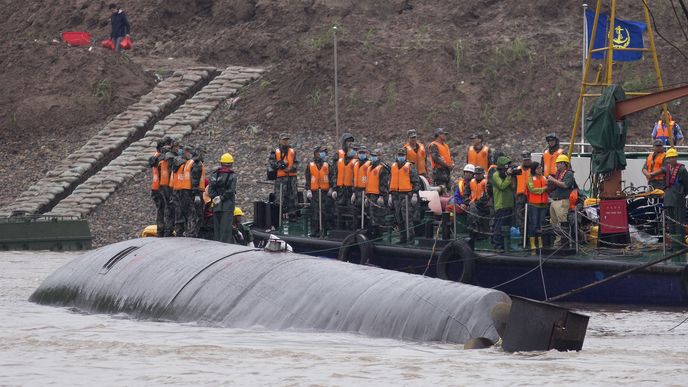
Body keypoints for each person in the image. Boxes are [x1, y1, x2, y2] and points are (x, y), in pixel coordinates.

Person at [389, 148, 421, 244]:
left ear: (405, 156)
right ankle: (402, 238)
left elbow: (416, 182)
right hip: (396, 195)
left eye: (402, 155)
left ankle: (410, 239)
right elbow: (390, 182)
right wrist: (390, 195)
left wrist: (415, 194)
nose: (401, 156)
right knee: (399, 218)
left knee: (407, 217)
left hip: (407, 195)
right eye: (399, 155)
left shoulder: (410, 167)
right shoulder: (393, 166)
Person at [304, 146, 335, 237]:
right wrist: (308, 190)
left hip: (325, 193)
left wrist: (331, 188)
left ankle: (325, 231)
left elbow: (332, 177)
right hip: (314, 193)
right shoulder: (310, 165)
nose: (322, 154)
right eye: (320, 152)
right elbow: (308, 178)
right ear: (316, 153)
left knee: (326, 212)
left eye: (324, 152)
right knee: (314, 212)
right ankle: (315, 231)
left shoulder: (328, 165)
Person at [547, 154, 577, 247]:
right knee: (554, 222)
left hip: (562, 201)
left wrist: (553, 180)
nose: (557, 165)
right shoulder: (558, 174)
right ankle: (557, 242)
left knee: (562, 222)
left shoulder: (569, 174)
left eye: (559, 163)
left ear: (564, 164)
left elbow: (565, 185)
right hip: (554, 201)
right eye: (557, 163)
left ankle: (563, 243)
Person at [662, 148, 688, 249]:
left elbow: (687, 185)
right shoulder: (667, 169)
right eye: (670, 158)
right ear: (667, 159)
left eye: (673, 157)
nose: (671, 159)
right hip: (668, 199)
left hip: (678, 199)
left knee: (679, 222)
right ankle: (673, 244)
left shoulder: (682, 170)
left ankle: (680, 244)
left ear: (676, 158)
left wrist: (681, 194)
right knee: (671, 223)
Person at [269, 133, 299, 219]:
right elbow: (272, 163)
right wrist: (281, 165)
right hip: (280, 180)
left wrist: (291, 169)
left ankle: (292, 217)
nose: (285, 142)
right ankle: (278, 219)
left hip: (291, 179)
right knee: (279, 199)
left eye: (287, 140)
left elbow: (296, 163)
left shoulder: (292, 151)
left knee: (292, 198)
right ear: (280, 140)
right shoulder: (275, 151)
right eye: (284, 140)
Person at [209, 153, 237, 243]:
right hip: (227, 206)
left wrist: (215, 197)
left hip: (216, 205)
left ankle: (217, 248)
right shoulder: (232, 176)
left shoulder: (214, 175)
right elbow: (231, 190)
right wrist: (222, 197)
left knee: (217, 230)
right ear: (231, 164)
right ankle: (224, 249)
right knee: (226, 230)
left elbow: (211, 189)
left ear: (221, 163)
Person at [491, 156, 515, 250]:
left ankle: (508, 244)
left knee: (508, 225)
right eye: (506, 165)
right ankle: (498, 245)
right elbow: (502, 186)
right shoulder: (496, 175)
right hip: (500, 204)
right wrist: (508, 176)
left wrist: (512, 176)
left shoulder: (506, 175)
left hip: (509, 203)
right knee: (499, 226)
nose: (508, 167)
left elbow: (512, 187)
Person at [365, 149, 390, 237]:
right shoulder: (369, 167)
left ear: (379, 156)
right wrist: (366, 196)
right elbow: (367, 182)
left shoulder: (382, 168)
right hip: (370, 195)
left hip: (379, 196)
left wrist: (382, 196)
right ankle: (374, 233)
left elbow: (384, 183)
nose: (373, 157)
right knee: (371, 215)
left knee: (379, 216)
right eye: (372, 155)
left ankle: (380, 234)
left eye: (375, 155)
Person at [333, 143, 358, 229]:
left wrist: (354, 192)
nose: (353, 151)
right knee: (339, 208)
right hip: (341, 189)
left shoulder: (356, 162)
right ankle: (340, 228)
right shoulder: (339, 161)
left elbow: (357, 178)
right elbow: (335, 175)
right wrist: (334, 189)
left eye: (355, 149)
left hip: (350, 189)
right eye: (351, 149)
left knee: (351, 210)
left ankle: (350, 228)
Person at [148, 138, 169, 237]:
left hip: (156, 187)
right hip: (161, 188)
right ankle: (165, 230)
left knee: (161, 209)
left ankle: (161, 230)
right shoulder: (161, 158)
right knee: (165, 209)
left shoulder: (155, 157)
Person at [526, 162, 548, 252]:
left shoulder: (544, 178)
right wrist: (544, 189)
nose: (540, 169)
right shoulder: (530, 178)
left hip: (543, 204)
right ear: (534, 169)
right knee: (533, 224)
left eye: (541, 167)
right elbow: (532, 189)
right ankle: (532, 244)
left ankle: (540, 243)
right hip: (534, 205)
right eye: (538, 168)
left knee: (541, 224)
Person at [171, 146, 193, 237]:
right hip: (184, 190)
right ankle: (186, 232)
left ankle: (179, 232)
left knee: (178, 212)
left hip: (176, 189)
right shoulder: (186, 163)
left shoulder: (176, 163)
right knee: (187, 213)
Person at [186, 147, 206, 238]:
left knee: (191, 213)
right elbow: (195, 179)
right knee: (197, 215)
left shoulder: (190, 162)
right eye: (203, 153)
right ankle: (194, 234)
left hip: (188, 192)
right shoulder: (197, 163)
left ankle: (190, 232)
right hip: (195, 193)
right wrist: (197, 194)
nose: (204, 156)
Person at [162, 140, 180, 237]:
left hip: (168, 186)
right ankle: (168, 230)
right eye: (176, 147)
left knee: (170, 209)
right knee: (170, 209)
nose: (178, 149)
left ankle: (168, 230)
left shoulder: (168, 156)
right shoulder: (170, 157)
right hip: (168, 187)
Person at [351, 146, 372, 229]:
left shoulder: (370, 164)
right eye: (360, 153)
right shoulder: (356, 164)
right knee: (356, 212)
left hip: (365, 192)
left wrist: (368, 194)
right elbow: (354, 178)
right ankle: (356, 229)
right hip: (357, 191)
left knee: (367, 212)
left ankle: (367, 230)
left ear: (366, 153)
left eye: (363, 153)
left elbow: (371, 180)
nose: (361, 154)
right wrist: (353, 192)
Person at [428, 128, 454, 192]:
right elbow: (436, 158)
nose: (445, 136)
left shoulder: (445, 145)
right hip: (439, 172)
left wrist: (452, 164)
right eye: (444, 134)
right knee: (440, 191)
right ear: (439, 135)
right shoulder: (433, 145)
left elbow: (449, 157)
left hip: (447, 172)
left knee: (448, 191)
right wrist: (448, 165)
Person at [468, 166, 490, 237]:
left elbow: (487, 196)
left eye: (479, 174)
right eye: (476, 174)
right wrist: (466, 202)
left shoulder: (486, 182)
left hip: (484, 207)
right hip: (474, 205)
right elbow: (466, 194)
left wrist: (477, 203)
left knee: (484, 222)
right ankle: (474, 232)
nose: (477, 175)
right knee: (472, 214)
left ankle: (484, 236)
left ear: (483, 174)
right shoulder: (471, 182)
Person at [514, 151, 532, 233]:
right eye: (525, 160)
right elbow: (513, 183)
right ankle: (522, 234)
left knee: (531, 216)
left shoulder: (534, 169)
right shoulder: (517, 170)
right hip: (520, 196)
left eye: (528, 159)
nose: (527, 161)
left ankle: (529, 235)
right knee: (519, 216)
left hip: (532, 195)